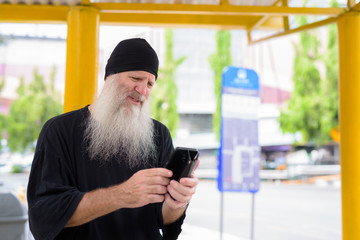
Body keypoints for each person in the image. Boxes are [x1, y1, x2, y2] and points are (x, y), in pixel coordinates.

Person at [27, 38, 199, 240]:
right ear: (109, 77)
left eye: (150, 84)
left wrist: (177, 203)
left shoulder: (159, 135)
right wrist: (123, 195)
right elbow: (44, 217)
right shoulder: (60, 130)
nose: (143, 91)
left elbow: (162, 220)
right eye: (136, 78)